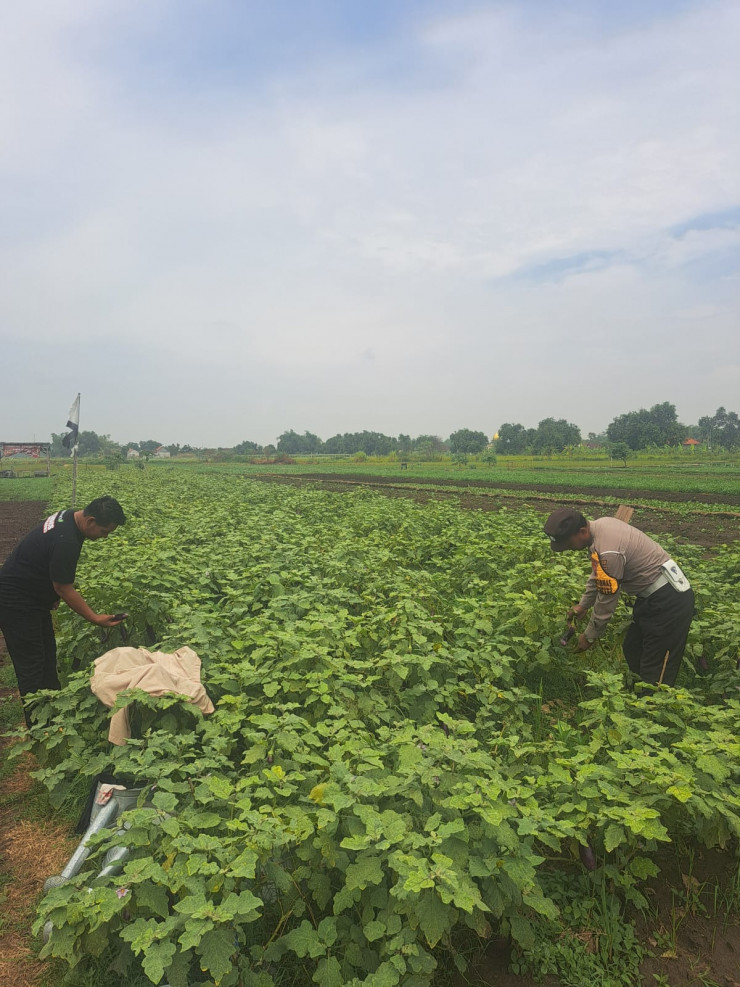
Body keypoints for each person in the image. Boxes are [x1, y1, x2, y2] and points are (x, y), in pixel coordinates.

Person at [0, 495, 127, 726]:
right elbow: (64, 587)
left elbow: (47, 565)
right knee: (31, 666)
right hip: (15, 602)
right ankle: (38, 729)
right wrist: (94, 618)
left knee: (47, 658)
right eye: (104, 531)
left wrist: (48, 594)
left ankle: (54, 716)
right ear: (90, 521)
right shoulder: (66, 539)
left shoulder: (68, 518)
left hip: (31, 597)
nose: (104, 537)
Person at [544, 508, 694, 688]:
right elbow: (599, 575)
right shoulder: (601, 526)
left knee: (656, 665)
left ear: (582, 532)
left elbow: (607, 597)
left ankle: (652, 708)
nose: (568, 549)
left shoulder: (609, 552)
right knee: (633, 649)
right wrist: (583, 605)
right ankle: (637, 700)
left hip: (669, 600)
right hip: (652, 597)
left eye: (568, 543)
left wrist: (590, 636)